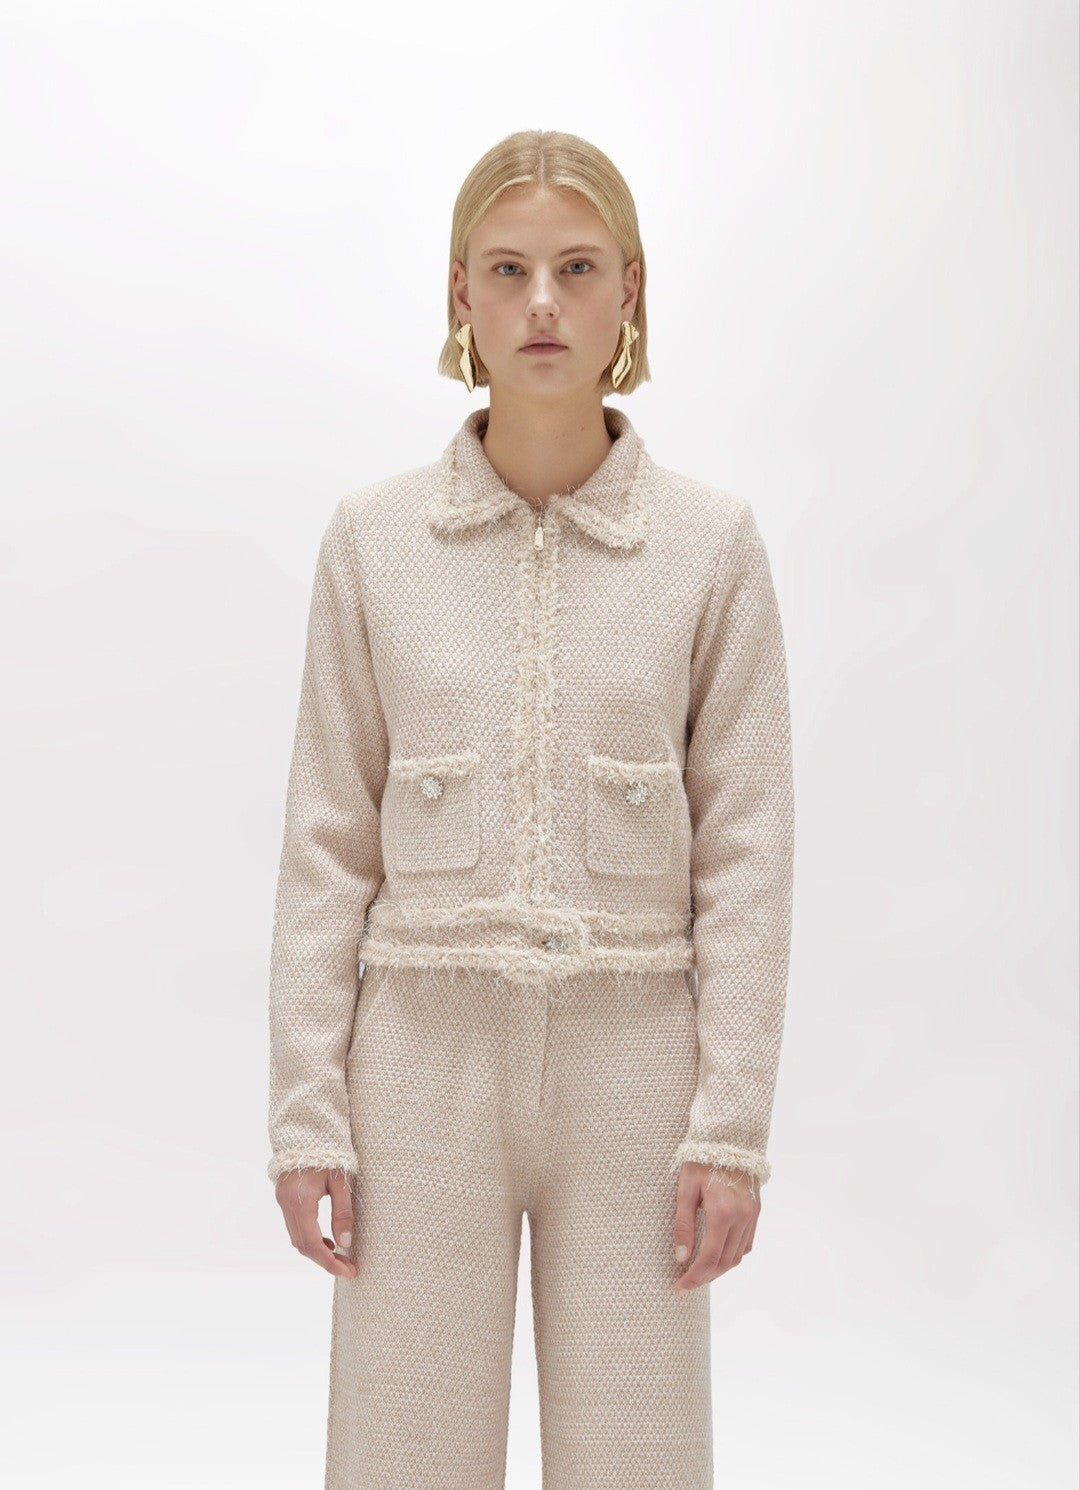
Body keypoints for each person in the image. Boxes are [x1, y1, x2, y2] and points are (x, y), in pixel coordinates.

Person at [266, 128, 794, 1489]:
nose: (542, 303)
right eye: (507, 270)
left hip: (635, 1066)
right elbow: (327, 842)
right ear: (461, 293)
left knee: (640, 1457)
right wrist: (308, 1112)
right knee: (402, 1455)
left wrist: (729, 1127)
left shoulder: (711, 548)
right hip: (419, 1061)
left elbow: (747, 855)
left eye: (577, 268)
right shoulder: (373, 542)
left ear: (631, 290)